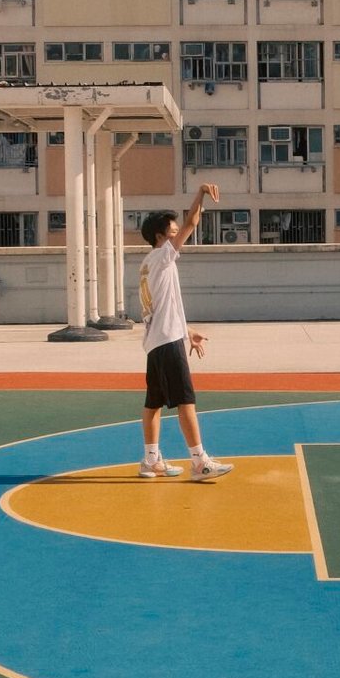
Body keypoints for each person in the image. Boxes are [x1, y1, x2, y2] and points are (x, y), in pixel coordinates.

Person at [137, 187, 232, 482]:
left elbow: (165, 305)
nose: (178, 236)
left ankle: (151, 460)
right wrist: (201, 193)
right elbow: (192, 222)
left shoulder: (148, 263)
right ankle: (200, 462)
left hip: (156, 342)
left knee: (153, 403)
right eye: (172, 232)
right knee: (186, 400)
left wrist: (187, 332)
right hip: (167, 342)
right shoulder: (162, 257)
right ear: (159, 236)